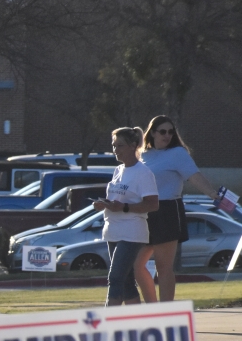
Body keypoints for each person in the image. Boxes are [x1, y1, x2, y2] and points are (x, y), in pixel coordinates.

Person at [134, 116, 221, 302]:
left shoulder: (177, 153)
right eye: (163, 131)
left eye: (171, 132)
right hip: (145, 212)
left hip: (167, 210)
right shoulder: (143, 154)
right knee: (136, 265)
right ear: (153, 133)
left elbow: (195, 177)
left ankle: (166, 312)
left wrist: (213, 194)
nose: (167, 135)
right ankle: (152, 307)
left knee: (163, 267)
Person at [92, 127, 159, 307]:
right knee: (127, 283)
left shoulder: (143, 172)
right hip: (113, 229)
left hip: (131, 232)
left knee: (115, 278)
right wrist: (104, 204)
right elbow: (117, 199)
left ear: (133, 146)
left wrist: (125, 207)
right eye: (114, 146)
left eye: (120, 145)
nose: (115, 150)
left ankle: (108, 324)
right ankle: (137, 326)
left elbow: (153, 204)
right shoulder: (118, 170)